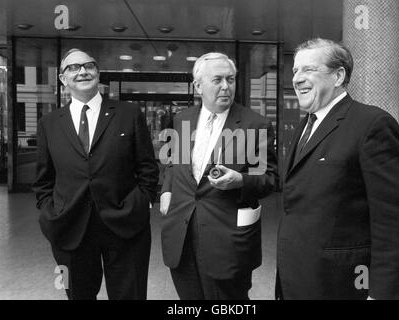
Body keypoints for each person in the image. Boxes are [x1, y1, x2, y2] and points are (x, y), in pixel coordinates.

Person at [277, 38, 399, 300]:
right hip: (297, 280)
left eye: (308, 69)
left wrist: (383, 294)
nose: (297, 78)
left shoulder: (372, 125)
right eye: (295, 70)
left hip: (342, 285)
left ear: (338, 76)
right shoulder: (305, 126)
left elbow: (397, 223)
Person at [32, 48, 159, 300]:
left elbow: (147, 167)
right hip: (69, 229)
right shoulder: (49, 123)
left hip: (125, 225)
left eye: (89, 65)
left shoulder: (128, 114)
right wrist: (50, 212)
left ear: (97, 73)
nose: (82, 71)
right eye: (73, 68)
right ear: (62, 79)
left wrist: (143, 202)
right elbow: (43, 178)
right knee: (77, 295)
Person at [159, 52, 278, 299]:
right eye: (218, 80)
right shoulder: (183, 119)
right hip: (182, 236)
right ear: (198, 86)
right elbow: (175, 164)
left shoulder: (254, 125)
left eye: (231, 79)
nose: (226, 86)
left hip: (228, 242)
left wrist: (240, 180)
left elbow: (270, 178)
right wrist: (167, 189)